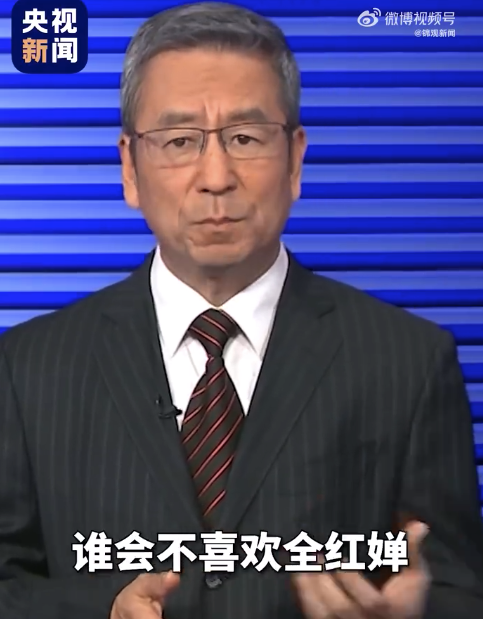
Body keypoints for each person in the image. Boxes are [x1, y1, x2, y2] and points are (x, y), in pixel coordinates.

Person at [1, 2, 483, 618]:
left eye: (245, 138)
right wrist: (103, 610)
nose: (216, 176)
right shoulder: (30, 368)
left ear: (295, 159)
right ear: (129, 168)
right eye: (180, 141)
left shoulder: (407, 361)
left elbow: (457, 588)